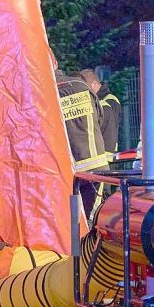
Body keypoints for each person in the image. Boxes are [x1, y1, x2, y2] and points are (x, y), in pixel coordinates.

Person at [57, 69, 107, 215]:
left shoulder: (48, 90)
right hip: (97, 164)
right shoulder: (82, 85)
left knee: (73, 218)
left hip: (70, 169)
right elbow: (100, 118)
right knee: (94, 216)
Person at [80, 69, 122, 156]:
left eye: (86, 87)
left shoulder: (110, 101)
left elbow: (109, 129)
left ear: (94, 84)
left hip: (107, 153)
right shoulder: (98, 100)